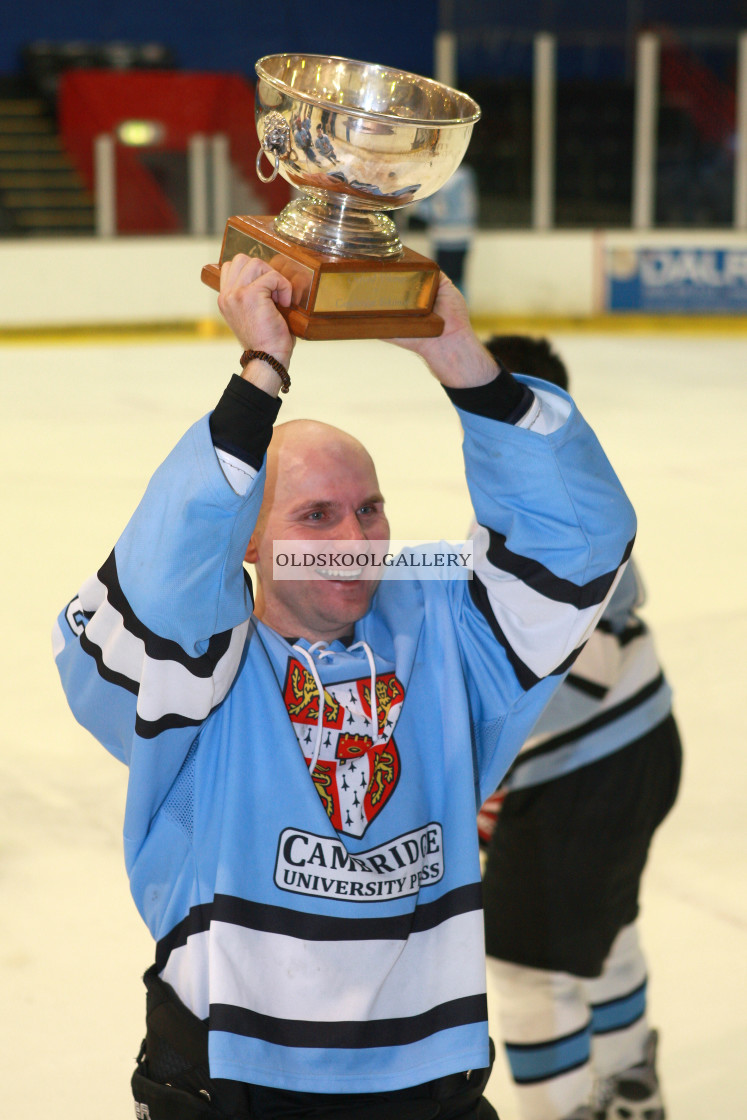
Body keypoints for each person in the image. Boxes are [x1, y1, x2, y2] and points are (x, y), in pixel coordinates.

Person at [52, 260, 636, 1120]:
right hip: (232, 1084)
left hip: (430, 1086)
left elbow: (579, 546)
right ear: (246, 539)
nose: (355, 540)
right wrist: (261, 374)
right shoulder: (193, 678)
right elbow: (166, 573)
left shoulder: (443, 635)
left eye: (370, 510)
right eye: (314, 515)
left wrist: (460, 358)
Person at [478, 336, 683, 1120]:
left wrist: (483, 769)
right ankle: (631, 1085)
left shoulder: (541, 507)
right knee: (605, 924)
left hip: (583, 774)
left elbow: (578, 673)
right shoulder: (563, 481)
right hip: (639, 745)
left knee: (528, 967)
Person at [408, 164, 478, 297]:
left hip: (448, 238)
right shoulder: (466, 174)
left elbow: (441, 210)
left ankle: (451, 315)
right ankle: (461, 312)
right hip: (462, 237)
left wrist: (414, 207)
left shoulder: (451, 178)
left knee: (447, 284)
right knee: (457, 281)